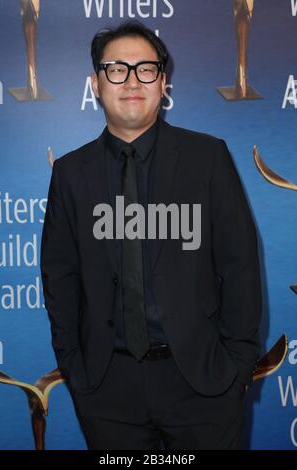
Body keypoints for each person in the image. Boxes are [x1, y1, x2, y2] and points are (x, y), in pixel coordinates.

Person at [40, 21, 262, 450]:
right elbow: (59, 276)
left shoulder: (207, 157)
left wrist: (236, 367)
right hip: (108, 388)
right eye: (116, 69)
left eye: (145, 69)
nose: (131, 81)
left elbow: (240, 266)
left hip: (202, 383)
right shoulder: (71, 173)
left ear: (162, 82)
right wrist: (74, 367)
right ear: (96, 84)